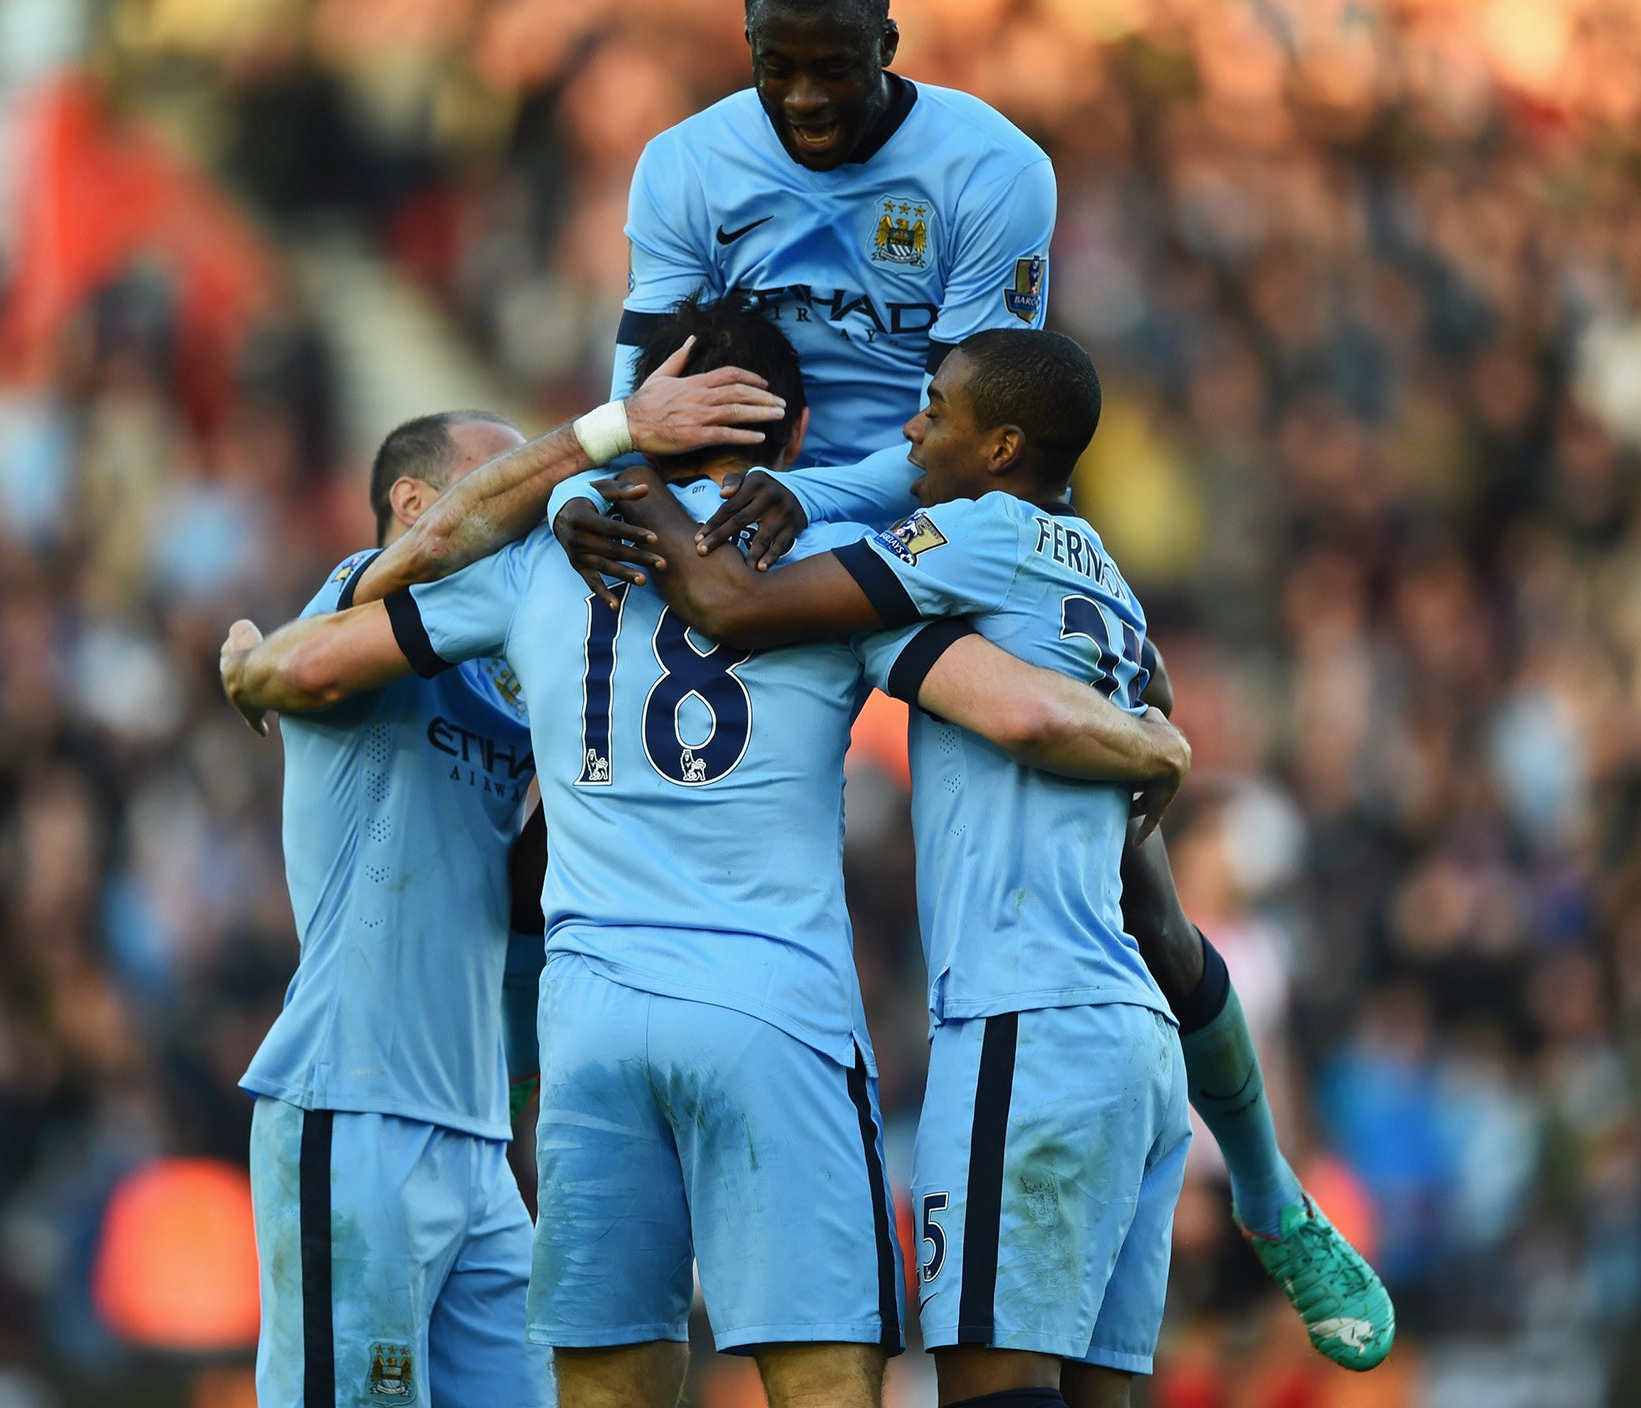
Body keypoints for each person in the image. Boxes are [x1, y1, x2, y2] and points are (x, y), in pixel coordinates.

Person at [581, 0, 1391, 1370]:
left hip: (910, 552)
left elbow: (948, 431)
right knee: (1128, 883)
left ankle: (1267, 1194)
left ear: (891, 49)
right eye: (778, 70)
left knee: (1118, 888)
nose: (807, 99)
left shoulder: (990, 177)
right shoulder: (685, 169)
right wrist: (612, 488)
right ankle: (1264, 1188)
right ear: (746, 53)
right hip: (785, 525)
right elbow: (649, 390)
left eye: (836, 68)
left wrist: (744, 507)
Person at [221, 294, 1191, 1408]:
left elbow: (329, 647)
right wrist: (1151, 739)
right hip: (772, 1013)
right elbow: (1022, 709)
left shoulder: (542, 560)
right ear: (796, 434)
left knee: (607, 1383)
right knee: (823, 1375)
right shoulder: (830, 569)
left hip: (594, 1023)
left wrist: (248, 662)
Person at [592, 330, 1197, 1406]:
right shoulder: (1111, 583)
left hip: (1024, 1015)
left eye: (937, 410)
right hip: (1134, 1040)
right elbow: (1154, 873)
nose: (911, 430)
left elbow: (729, 604)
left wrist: (622, 471)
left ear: (1001, 446)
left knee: (992, 1391)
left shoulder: (980, 532)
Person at [226, 364, 789, 1408]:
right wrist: (612, 427)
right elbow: (437, 553)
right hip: (351, 1106)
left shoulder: (504, 670)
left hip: (476, 1137)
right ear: (412, 502)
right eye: (502, 477)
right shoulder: (355, 598)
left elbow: (522, 894)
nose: (530, 503)